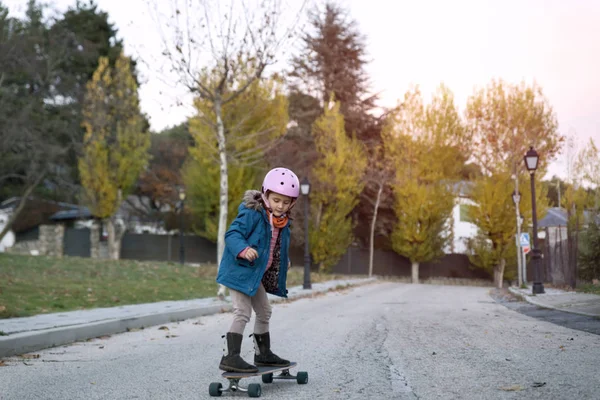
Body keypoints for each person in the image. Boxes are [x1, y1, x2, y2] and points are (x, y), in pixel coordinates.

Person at [216, 167, 300, 373]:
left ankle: (263, 354)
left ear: (292, 203)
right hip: (239, 272)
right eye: (276, 200)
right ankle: (230, 357)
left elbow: (273, 246)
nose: (280, 206)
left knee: (264, 311)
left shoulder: (282, 223)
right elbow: (232, 234)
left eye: (286, 202)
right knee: (242, 312)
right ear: (266, 195)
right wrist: (243, 249)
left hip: (254, 275)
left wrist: (283, 260)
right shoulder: (252, 213)